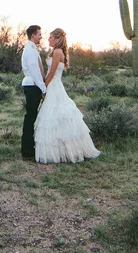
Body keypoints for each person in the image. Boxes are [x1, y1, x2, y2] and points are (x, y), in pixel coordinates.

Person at [34, 28, 100, 164]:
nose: (49, 39)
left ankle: (64, 151)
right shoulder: (56, 51)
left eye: (51, 37)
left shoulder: (58, 52)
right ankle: (59, 151)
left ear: (58, 39)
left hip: (54, 85)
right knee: (54, 117)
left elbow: (51, 73)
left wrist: (43, 88)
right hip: (53, 85)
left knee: (55, 116)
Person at [20, 24, 46, 160]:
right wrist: (43, 88)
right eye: (39, 34)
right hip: (32, 86)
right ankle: (27, 150)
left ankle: (29, 147)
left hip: (33, 85)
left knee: (31, 116)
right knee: (30, 117)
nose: (41, 36)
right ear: (33, 35)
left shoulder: (32, 49)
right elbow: (35, 72)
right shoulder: (30, 50)